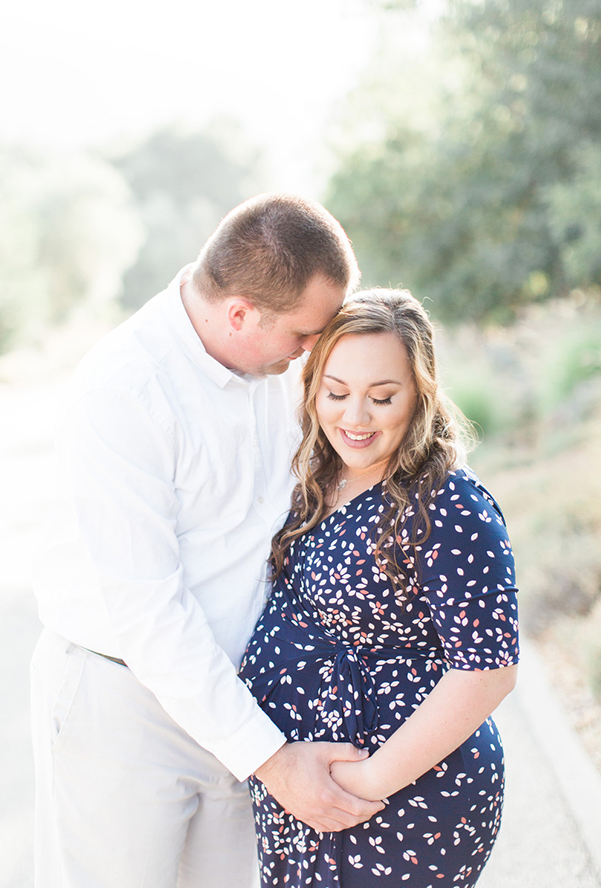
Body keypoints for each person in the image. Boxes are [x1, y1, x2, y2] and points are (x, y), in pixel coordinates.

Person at [30, 193, 384, 888]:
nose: (315, 351)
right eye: (305, 336)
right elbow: (149, 615)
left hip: (238, 701)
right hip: (122, 706)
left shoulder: (274, 364)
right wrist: (277, 764)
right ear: (240, 314)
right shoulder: (125, 391)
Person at [239, 288, 520, 887]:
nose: (354, 418)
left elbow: (488, 670)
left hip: (400, 796)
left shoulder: (449, 504)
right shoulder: (317, 474)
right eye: (336, 393)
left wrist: (363, 783)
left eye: (382, 397)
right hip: (310, 795)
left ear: (420, 394)